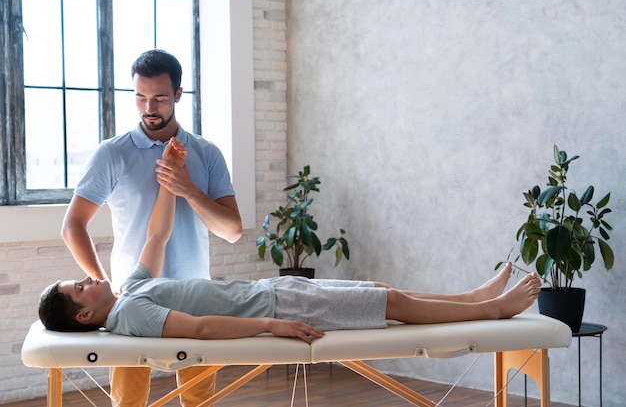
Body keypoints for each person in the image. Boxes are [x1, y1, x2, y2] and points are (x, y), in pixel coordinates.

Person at [42, 139, 542, 346]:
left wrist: (173, 178)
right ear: (85, 316)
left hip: (275, 290)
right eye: (80, 288)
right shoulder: (130, 316)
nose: (89, 278)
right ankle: (492, 312)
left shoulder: (127, 293)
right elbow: (198, 329)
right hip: (278, 303)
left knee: (384, 291)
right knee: (390, 302)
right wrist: (270, 325)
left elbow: (156, 235)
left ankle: (475, 299)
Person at [61, 50, 242, 406]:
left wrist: (188, 188)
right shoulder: (112, 154)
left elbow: (232, 231)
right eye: (141, 98)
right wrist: (106, 284)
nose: (149, 107)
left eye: (159, 97)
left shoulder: (207, 154)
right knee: (128, 402)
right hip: (133, 299)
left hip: (196, 299)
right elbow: (73, 226)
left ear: (177, 94)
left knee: (198, 401)